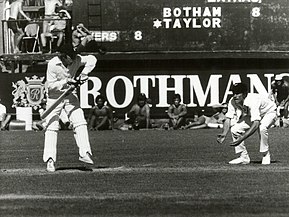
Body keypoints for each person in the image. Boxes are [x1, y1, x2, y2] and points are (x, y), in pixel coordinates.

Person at [43, 43, 97, 172]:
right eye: (70, 56)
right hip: (54, 97)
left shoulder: (77, 59)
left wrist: (84, 74)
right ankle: (50, 160)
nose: (73, 58)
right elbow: (50, 86)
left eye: (74, 54)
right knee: (52, 127)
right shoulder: (52, 64)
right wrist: (66, 82)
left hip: (70, 95)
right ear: (63, 56)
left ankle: (85, 153)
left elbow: (92, 59)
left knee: (80, 122)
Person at [217, 83, 277, 165]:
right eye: (234, 93)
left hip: (269, 112)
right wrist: (224, 134)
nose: (235, 96)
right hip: (254, 115)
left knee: (262, 128)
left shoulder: (253, 100)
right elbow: (228, 118)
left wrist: (242, 137)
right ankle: (243, 158)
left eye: (238, 93)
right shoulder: (232, 101)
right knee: (235, 130)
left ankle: (265, 154)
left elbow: (256, 123)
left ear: (245, 94)